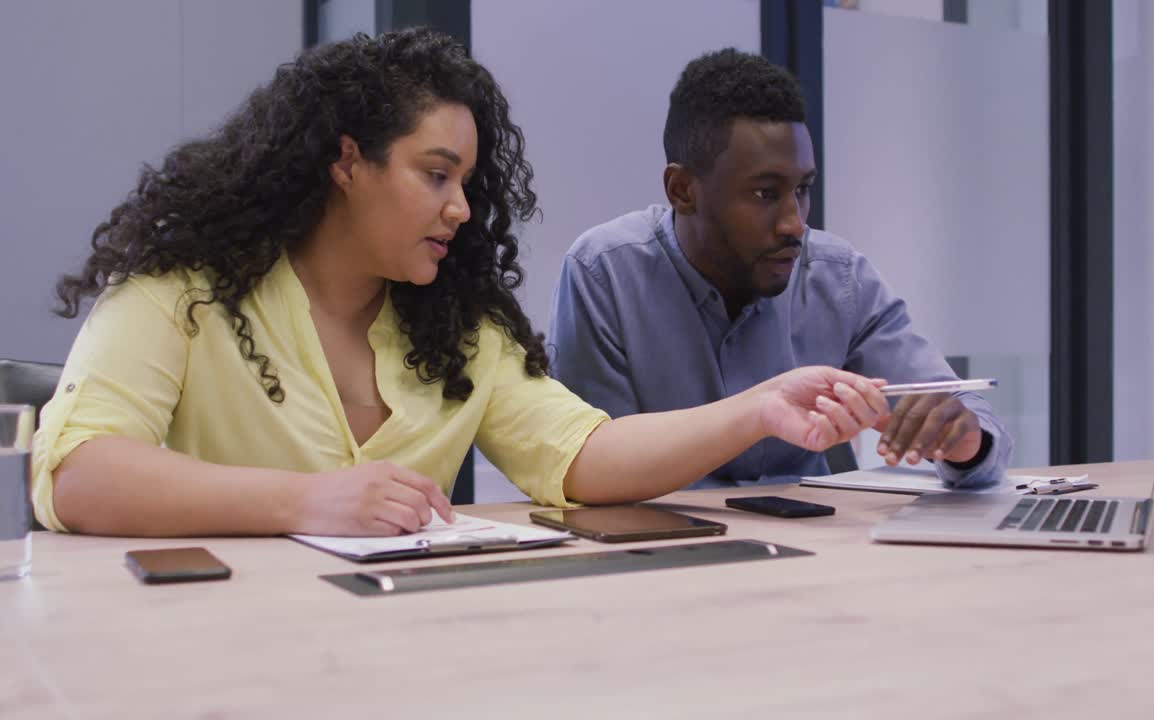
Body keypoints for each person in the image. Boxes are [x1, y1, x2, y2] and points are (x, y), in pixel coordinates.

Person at [31, 29, 887, 538]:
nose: (459, 211)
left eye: (467, 185)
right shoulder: (181, 290)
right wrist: (305, 501)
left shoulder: (460, 326)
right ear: (347, 162)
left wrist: (758, 408)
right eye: (435, 176)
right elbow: (80, 472)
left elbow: (582, 456)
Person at [548, 48, 1011, 489]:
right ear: (683, 189)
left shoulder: (838, 277)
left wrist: (964, 442)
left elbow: (963, 411)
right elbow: (589, 467)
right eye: (765, 194)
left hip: (816, 549)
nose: (795, 223)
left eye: (803, 189)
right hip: (665, 553)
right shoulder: (604, 273)